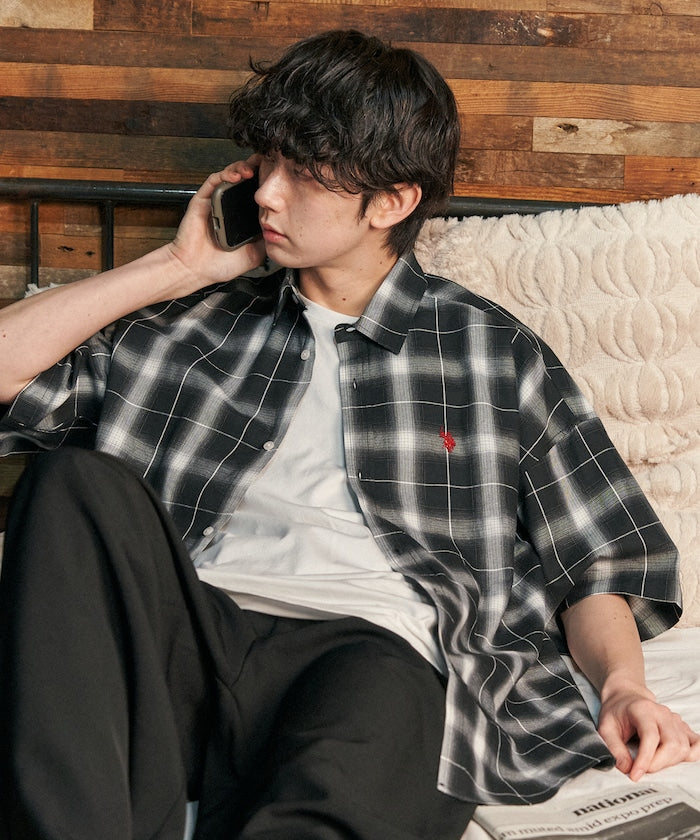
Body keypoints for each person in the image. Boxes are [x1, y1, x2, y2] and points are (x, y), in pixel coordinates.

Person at [0, 28, 698, 840]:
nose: (268, 194)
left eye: (304, 174)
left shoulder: (491, 353)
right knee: (71, 482)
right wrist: (176, 268)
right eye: (267, 162)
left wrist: (622, 687)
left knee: (386, 720)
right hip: (189, 645)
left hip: (370, 654)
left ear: (392, 202)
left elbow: (596, 557)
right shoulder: (188, 325)